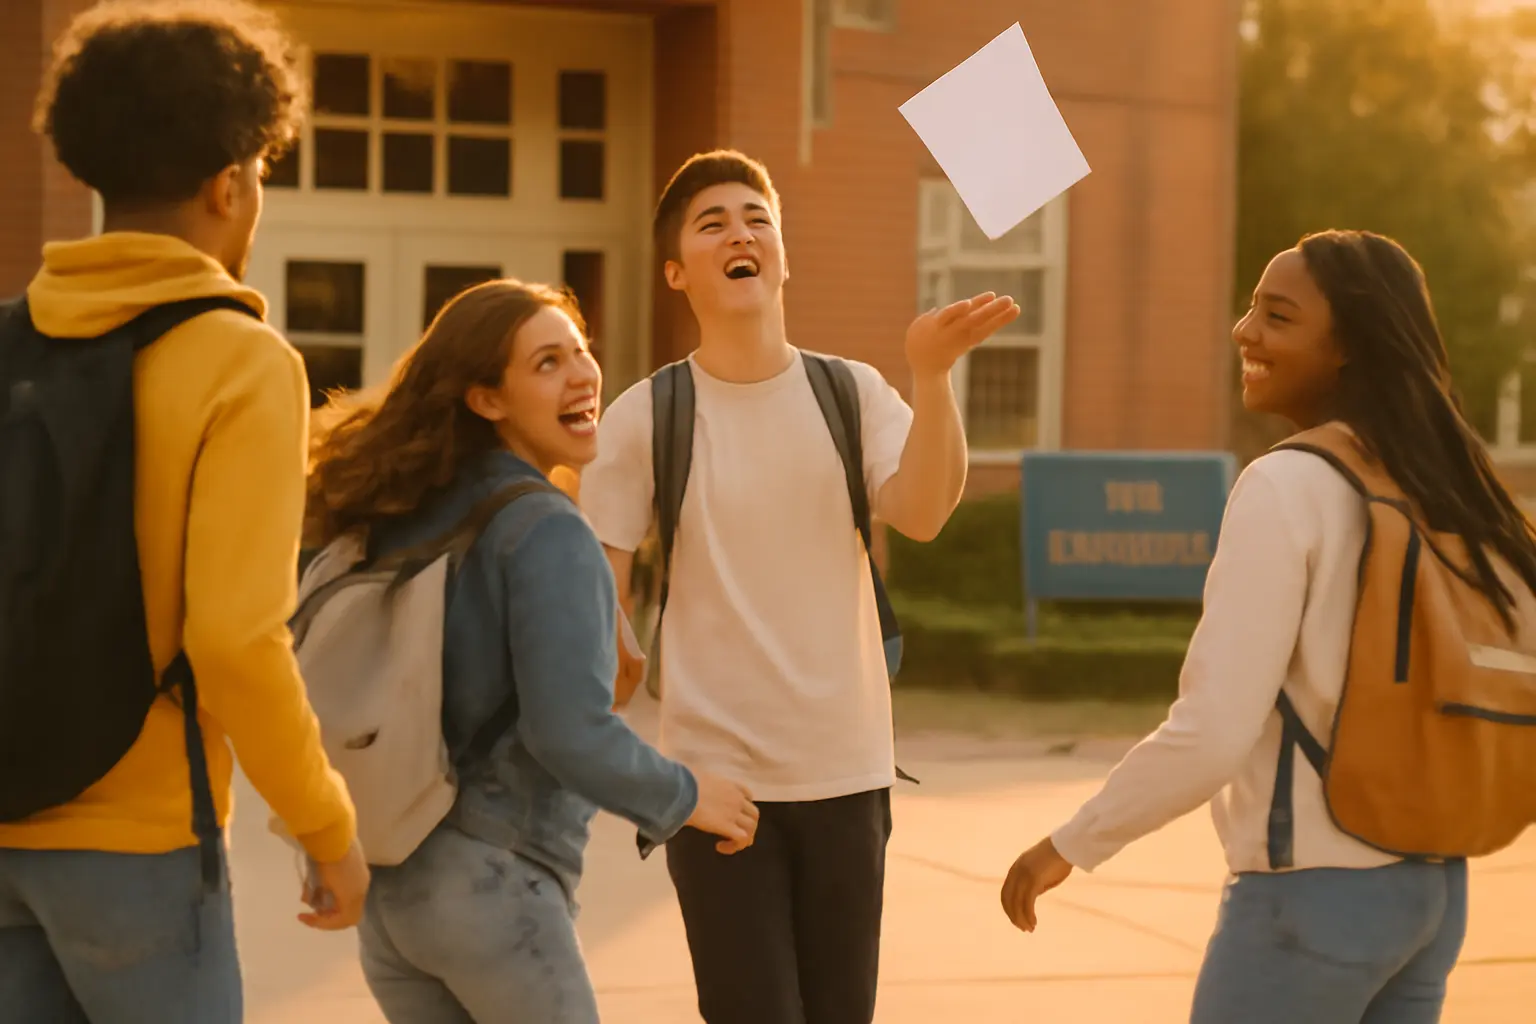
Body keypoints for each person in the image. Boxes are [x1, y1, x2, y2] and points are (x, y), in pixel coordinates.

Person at [998, 230, 1531, 1023]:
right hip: (1434, 893)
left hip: (1309, 898)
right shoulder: (1450, 490)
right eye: (1251, 309)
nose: (1244, 331)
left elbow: (1212, 730)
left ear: (1347, 346)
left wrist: (1072, 843)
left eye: (1277, 316)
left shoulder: (1288, 484)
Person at [579, 149, 1020, 1024]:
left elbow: (923, 512)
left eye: (757, 217)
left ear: (783, 253)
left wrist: (933, 378)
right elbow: (598, 634)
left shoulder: (849, 392)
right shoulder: (643, 416)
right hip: (716, 792)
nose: (741, 232)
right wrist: (659, 781)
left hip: (848, 777)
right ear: (677, 272)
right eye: (713, 223)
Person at [0, 2, 366, 1021]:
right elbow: (235, 640)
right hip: (141, 845)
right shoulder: (241, 362)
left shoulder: (8, 344)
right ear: (231, 180)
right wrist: (325, 826)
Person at [305, 278, 760, 1024]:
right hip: (493, 889)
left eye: (581, 351)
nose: (583, 374)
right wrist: (689, 796)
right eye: (547, 363)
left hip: (395, 899)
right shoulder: (545, 527)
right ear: (487, 399)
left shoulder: (401, 513)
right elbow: (569, 734)